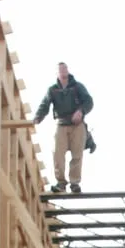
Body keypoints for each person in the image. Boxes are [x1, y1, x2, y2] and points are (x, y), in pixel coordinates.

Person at [34, 62, 94, 193]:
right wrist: (37, 118)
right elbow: (45, 105)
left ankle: (74, 183)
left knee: (77, 154)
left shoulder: (77, 87)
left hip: (77, 125)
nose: (63, 71)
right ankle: (61, 182)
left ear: (68, 70)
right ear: (57, 73)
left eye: (65, 68)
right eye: (60, 69)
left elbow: (89, 101)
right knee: (57, 153)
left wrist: (81, 111)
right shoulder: (53, 89)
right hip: (61, 123)